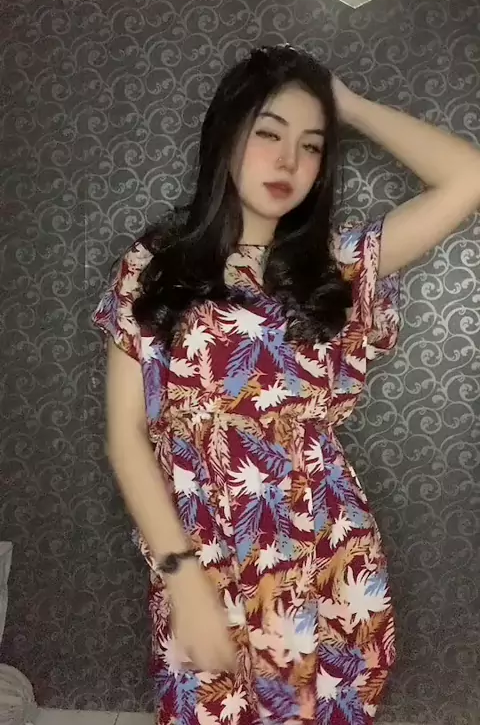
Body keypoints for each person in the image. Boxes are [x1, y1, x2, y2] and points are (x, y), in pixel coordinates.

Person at [91, 45, 480, 725]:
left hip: (328, 550)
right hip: (203, 555)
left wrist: (346, 104)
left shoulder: (337, 265)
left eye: (312, 144)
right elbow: (125, 437)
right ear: (226, 136)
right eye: (269, 133)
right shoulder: (155, 267)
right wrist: (182, 577)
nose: (289, 161)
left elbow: (468, 177)